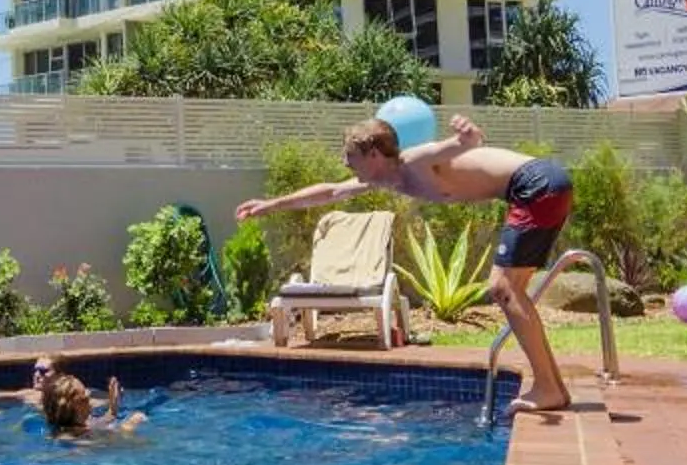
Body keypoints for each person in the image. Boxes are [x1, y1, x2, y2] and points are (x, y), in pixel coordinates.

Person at [238, 114, 574, 416]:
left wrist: (466, 135)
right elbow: (329, 192)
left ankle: (546, 386)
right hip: (541, 187)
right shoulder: (384, 178)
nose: (344, 162)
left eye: (349, 155)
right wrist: (270, 205)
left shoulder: (413, 161)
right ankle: (553, 386)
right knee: (510, 290)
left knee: (502, 288)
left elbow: (463, 144)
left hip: (535, 184)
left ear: (373, 155)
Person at [39, 370, 143, 437]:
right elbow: (103, 448)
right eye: (84, 395)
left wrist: (113, 406)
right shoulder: (69, 438)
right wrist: (127, 429)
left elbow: (103, 421)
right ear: (75, 407)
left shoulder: (81, 423)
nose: (89, 394)